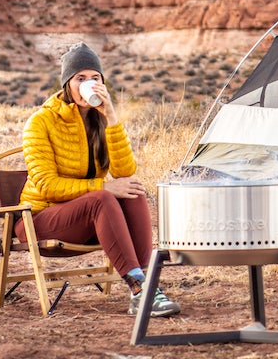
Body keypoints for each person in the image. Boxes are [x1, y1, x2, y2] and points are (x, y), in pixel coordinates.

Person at [19, 42, 180, 317]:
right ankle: (140, 288)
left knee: (133, 192)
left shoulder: (100, 119)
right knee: (104, 196)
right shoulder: (40, 122)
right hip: (38, 220)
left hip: (86, 217)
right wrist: (104, 187)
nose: (88, 84)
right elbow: (47, 186)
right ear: (67, 84)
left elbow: (124, 172)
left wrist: (112, 117)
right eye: (80, 78)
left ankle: (146, 289)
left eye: (95, 78)